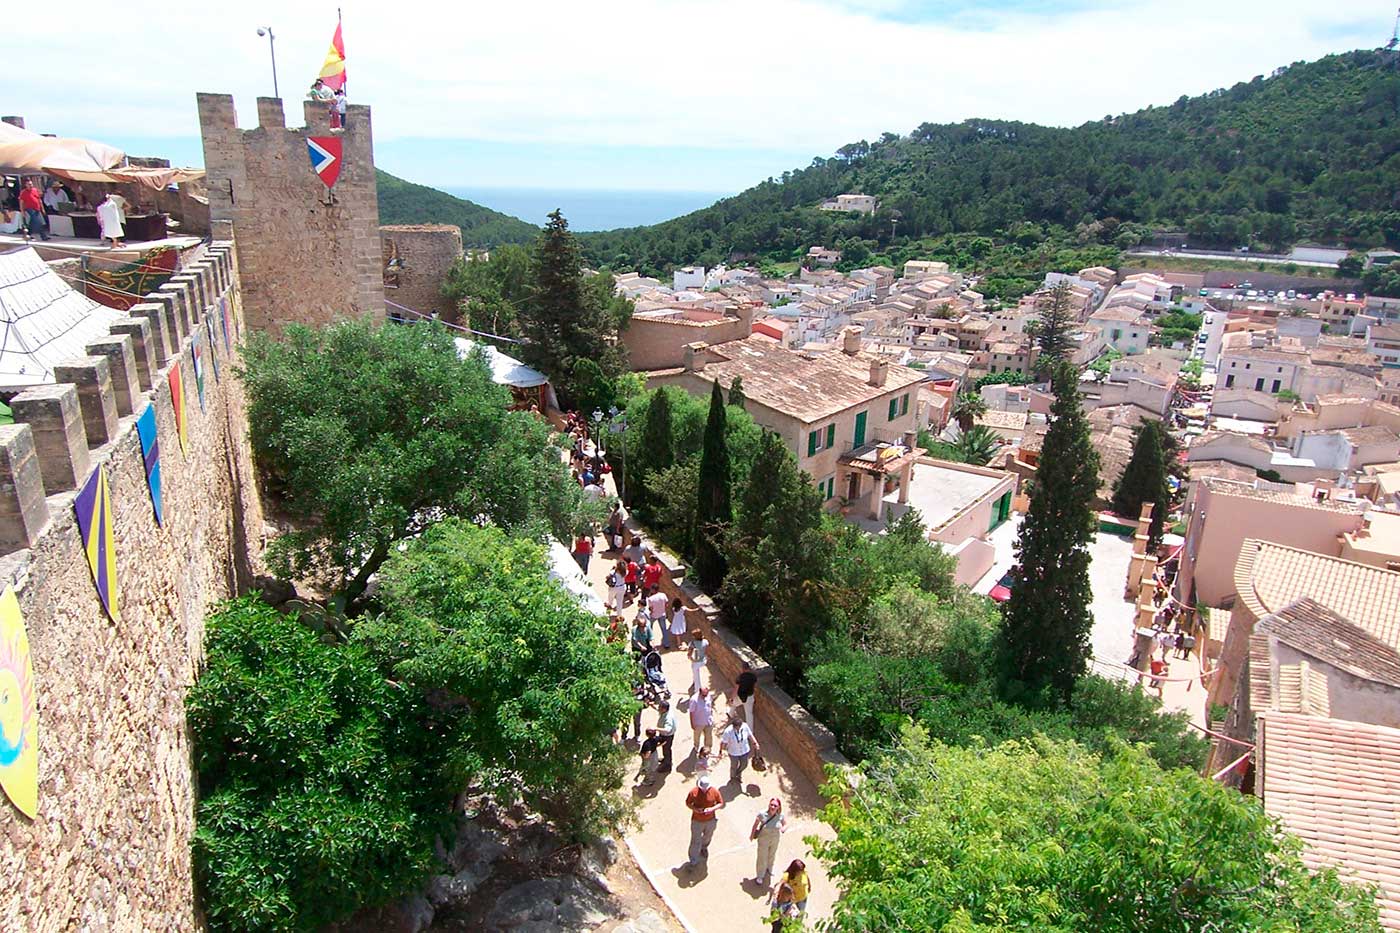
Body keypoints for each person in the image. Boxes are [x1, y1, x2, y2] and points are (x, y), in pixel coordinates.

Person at [683, 775, 724, 869]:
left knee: (708, 836)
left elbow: (720, 803)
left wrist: (711, 809)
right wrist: (696, 809)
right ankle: (693, 860)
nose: (704, 790)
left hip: (710, 820)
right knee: (695, 840)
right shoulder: (693, 792)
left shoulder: (714, 791)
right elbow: (688, 803)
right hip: (697, 820)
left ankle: (704, 847)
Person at [750, 797, 788, 885]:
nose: (773, 807)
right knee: (762, 857)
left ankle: (769, 868)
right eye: (771, 804)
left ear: (778, 807)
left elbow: (785, 824)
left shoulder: (780, 816)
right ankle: (760, 875)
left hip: (775, 839)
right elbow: (755, 825)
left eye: (775, 805)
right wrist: (752, 835)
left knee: (772, 854)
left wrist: (783, 828)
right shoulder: (762, 814)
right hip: (764, 839)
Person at [719, 713, 759, 786]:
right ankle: (733, 777)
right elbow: (723, 742)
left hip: (744, 750)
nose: (738, 729)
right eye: (736, 727)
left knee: (744, 764)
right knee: (734, 766)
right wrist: (721, 751)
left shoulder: (745, 726)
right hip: (733, 752)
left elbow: (750, 735)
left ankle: (737, 773)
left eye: (739, 727)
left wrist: (755, 743)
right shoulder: (728, 731)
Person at [651, 700, 677, 773]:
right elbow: (658, 710)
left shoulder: (668, 718)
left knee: (666, 750)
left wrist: (655, 728)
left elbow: (667, 729)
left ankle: (667, 766)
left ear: (664, 709)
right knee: (665, 749)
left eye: (660, 707)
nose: (658, 708)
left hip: (667, 736)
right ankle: (665, 759)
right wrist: (653, 706)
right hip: (664, 735)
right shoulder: (666, 711)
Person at [689, 686, 714, 754]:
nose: (705, 696)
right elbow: (691, 712)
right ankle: (696, 747)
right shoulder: (694, 700)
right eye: (703, 695)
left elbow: (710, 706)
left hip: (708, 721)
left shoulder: (708, 696)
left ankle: (707, 749)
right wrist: (692, 723)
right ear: (700, 693)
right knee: (697, 736)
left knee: (709, 736)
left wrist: (711, 716)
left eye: (706, 694)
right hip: (698, 723)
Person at [735, 661, 758, 726]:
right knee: (749, 714)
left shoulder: (740, 677)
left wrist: (732, 698)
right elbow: (754, 687)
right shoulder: (753, 677)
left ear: (743, 668)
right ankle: (750, 731)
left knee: (733, 703)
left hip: (740, 697)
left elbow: (736, 689)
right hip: (750, 697)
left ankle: (730, 713)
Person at [687, 625, 707, 697]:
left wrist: (690, 658)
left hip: (696, 662)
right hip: (703, 660)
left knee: (697, 676)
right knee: (696, 673)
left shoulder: (693, 643)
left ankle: (697, 691)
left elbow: (689, 653)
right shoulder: (705, 641)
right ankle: (694, 682)